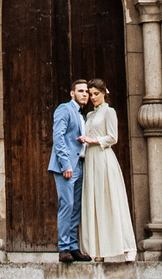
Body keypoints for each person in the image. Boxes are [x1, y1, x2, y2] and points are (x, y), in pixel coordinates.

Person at [78, 78, 137, 262]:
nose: (93, 97)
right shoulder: (89, 116)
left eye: (96, 94)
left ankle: (129, 247)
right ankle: (98, 250)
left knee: (112, 200)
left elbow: (113, 137)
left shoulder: (109, 112)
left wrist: (91, 140)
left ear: (104, 93)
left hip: (103, 158)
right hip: (91, 161)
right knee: (95, 203)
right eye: (91, 94)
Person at [51, 80, 88, 261]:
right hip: (67, 167)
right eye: (80, 91)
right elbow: (58, 137)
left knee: (75, 207)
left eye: (86, 91)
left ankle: (73, 247)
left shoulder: (82, 115)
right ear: (72, 93)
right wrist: (66, 165)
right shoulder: (64, 109)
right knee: (67, 206)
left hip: (80, 165)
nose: (85, 94)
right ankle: (64, 248)